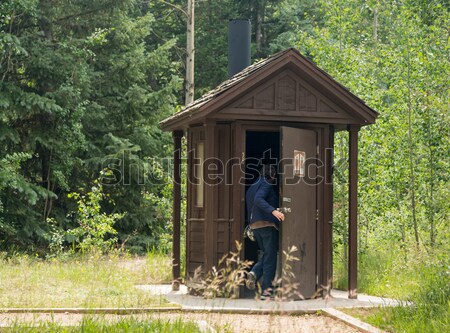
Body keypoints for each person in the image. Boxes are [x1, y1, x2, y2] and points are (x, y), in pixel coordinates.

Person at [245, 164, 285, 299]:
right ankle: (266, 292)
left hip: (255, 227)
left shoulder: (252, 186)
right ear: (272, 175)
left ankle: (255, 273)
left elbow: (253, 203)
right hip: (267, 226)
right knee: (270, 258)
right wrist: (273, 211)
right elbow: (258, 200)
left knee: (267, 255)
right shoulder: (266, 184)